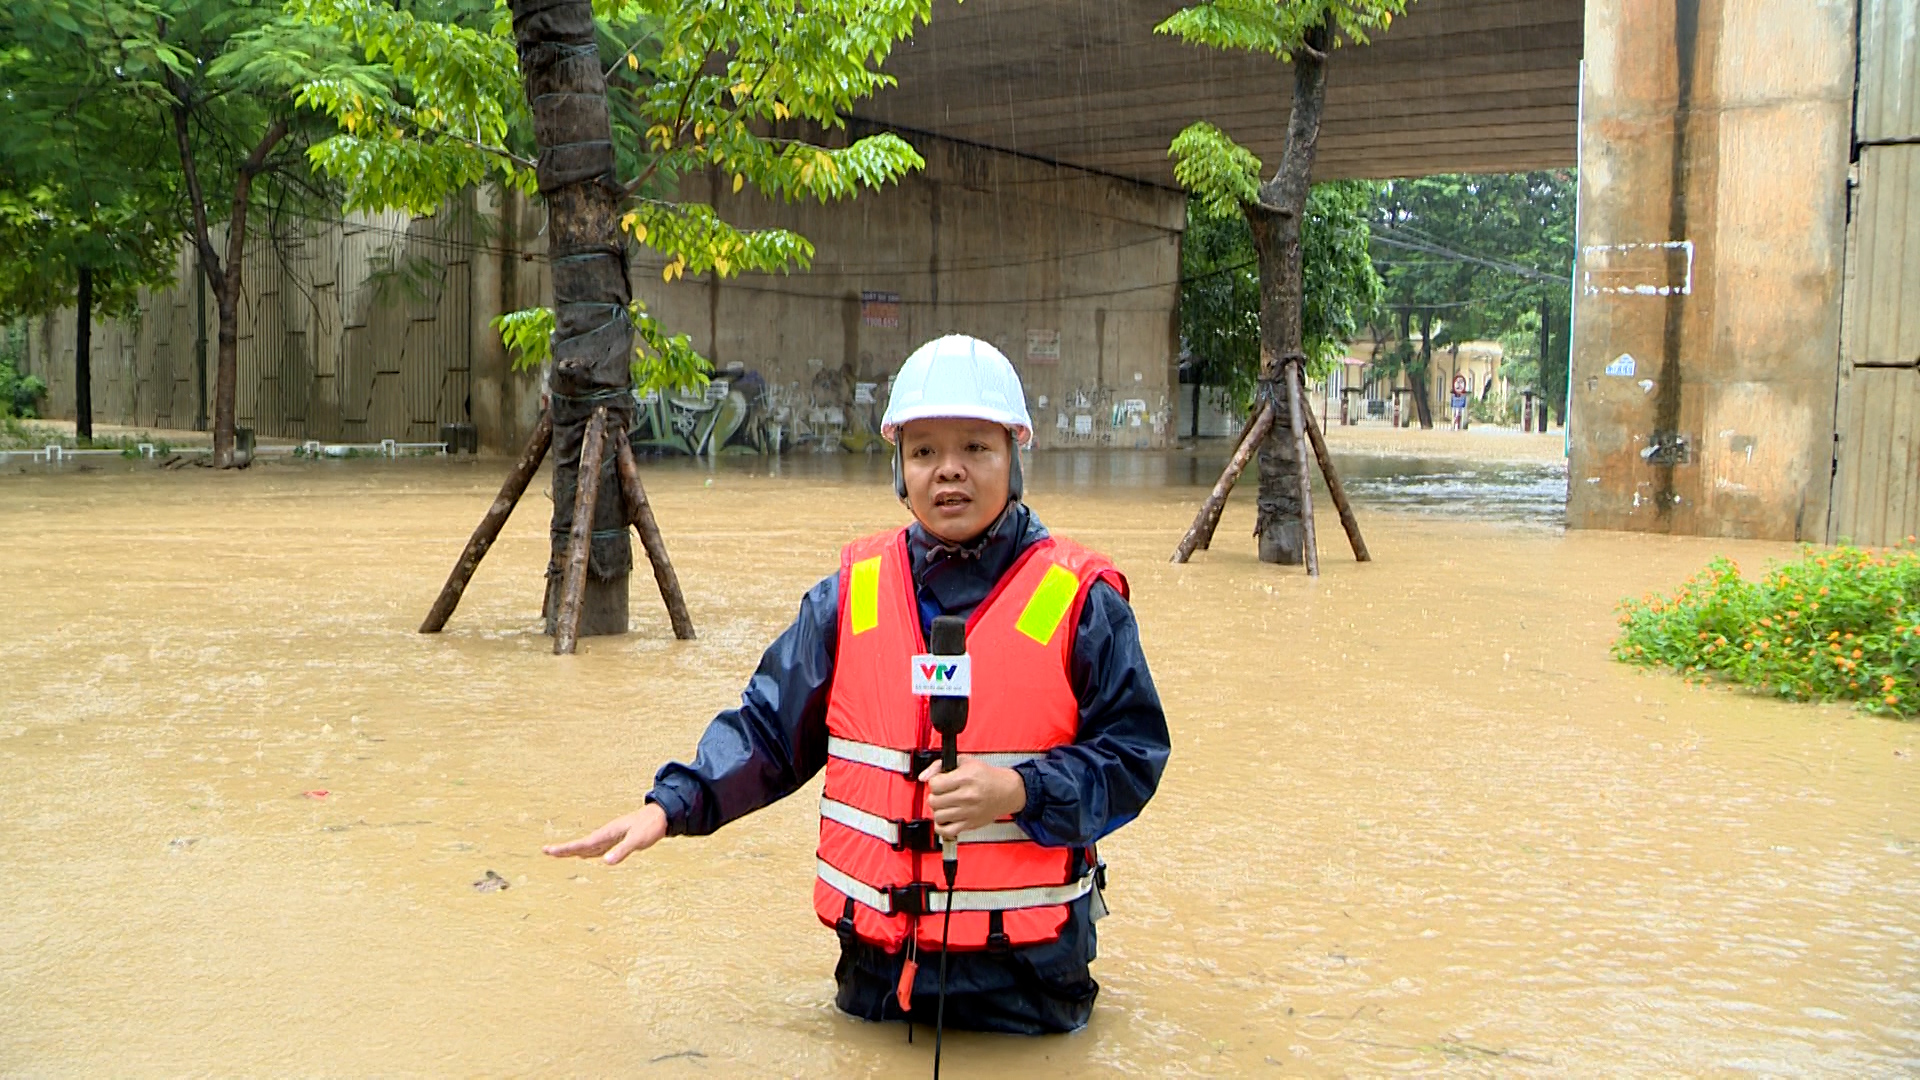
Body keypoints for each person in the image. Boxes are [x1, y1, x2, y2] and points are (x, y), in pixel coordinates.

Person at [544, 334, 1170, 1035]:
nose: (950, 472)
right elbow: (769, 731)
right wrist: (673, 805)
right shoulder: (853, 594)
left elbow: (1133, 756)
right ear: (900, 467)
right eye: (926, 451)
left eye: (976, 449)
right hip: (875, 977)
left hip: (1026, 983)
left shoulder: (1080, 600)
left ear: (1014, 457)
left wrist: (1020, 789)